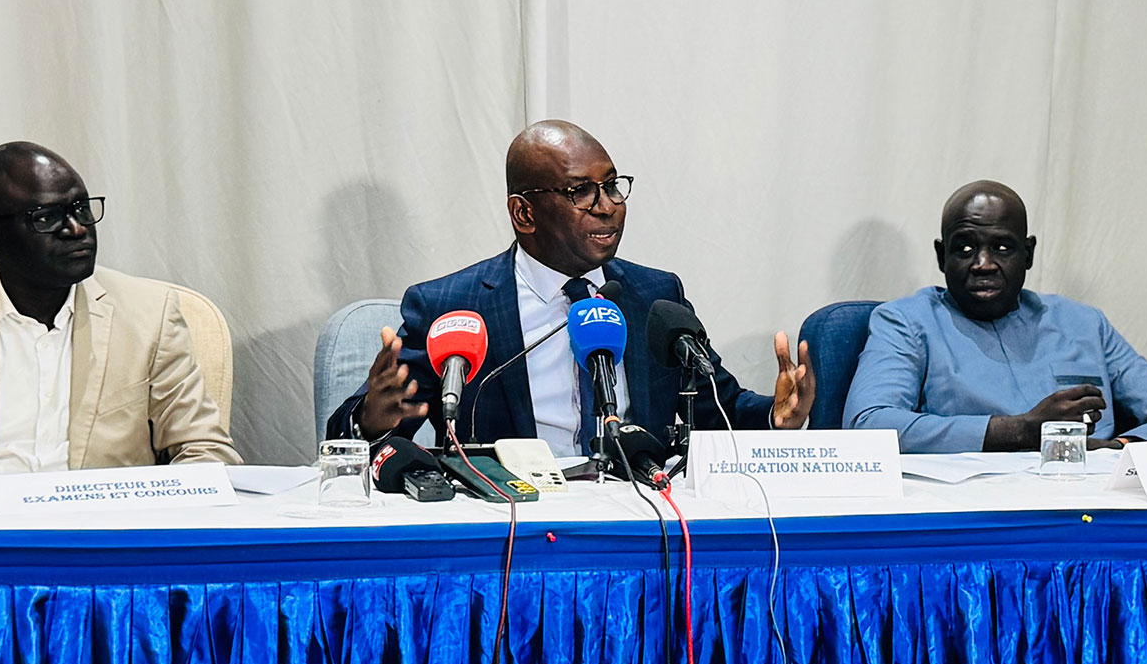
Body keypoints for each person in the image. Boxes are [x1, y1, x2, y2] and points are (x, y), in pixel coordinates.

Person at [328, 120, 815, 450]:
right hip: (515, 528)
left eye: (612, 186)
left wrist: (776, 416)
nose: (607, 206)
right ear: (524, 213)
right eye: (580, 191)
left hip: (641, 524)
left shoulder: (656, 296)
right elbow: (361, 435)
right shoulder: (453, 307)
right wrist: (370, 419)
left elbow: (718, 410)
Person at [0, 142, 240, 474]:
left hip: (105, 521)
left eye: (81, 209)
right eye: (47, 217)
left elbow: (204, 448)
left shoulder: (149, 315)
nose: (76, 229)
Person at [844, 180, 1147, 453]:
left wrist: (1120, 449)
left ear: (1028, 253)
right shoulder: (906, 322)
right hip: (981, 513)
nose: (983, 264)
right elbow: (868, 425)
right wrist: (1018, 431)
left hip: (1090, 504)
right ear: (942, 257)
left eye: (1002, 247)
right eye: (965, 248)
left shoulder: (1083, 324)